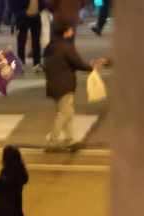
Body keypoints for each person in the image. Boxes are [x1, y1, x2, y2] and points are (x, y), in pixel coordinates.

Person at [42, 21, 108, 152]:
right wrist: (91, 67)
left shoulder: (51, 46)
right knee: (64, 114)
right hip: (64, 84)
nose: (72, 32)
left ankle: (71, 139)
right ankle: (53, 141)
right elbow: (77, 62)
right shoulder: (66, 47)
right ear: (65, 32)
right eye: (70, 30)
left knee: (68, 113)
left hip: (54, 84)